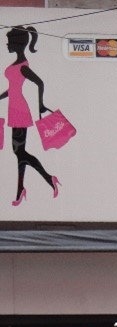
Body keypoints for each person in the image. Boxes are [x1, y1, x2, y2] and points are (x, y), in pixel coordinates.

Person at [0, 26, 59, 206]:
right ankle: (21, 189)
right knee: (19, 153)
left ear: (17, 43)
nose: (7, 45)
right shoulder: (17, 65)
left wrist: (40, 104)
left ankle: (48, 178)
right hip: (14, 109)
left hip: (19, 111)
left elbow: (40, 82)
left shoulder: (23, 66)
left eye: (9, 42)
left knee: (19, 152)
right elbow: (12, 89)